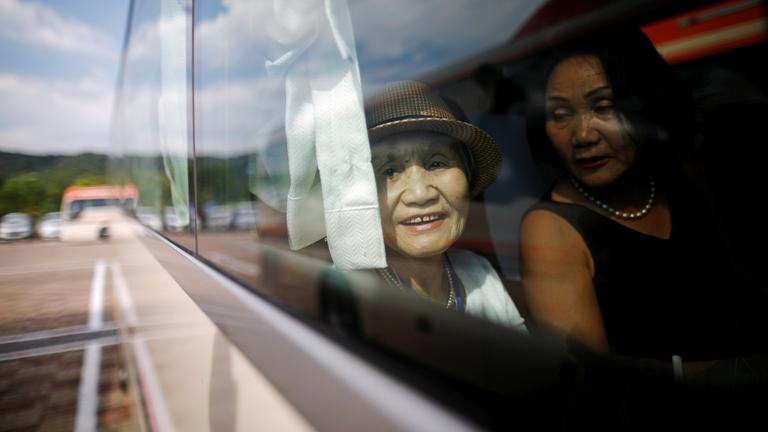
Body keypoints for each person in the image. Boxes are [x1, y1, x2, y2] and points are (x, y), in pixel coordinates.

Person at [519, 27, 765, 362]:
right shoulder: (551, 229)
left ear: (643, 105)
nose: (582, 135)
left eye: (604, 107)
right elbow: (592, 386)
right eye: (560, 115)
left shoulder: (683, 173)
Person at [366, 80, 526, 331]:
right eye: (389, 171)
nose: (420, 194)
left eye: (437, 163)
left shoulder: (477, 271)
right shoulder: (348, 293)